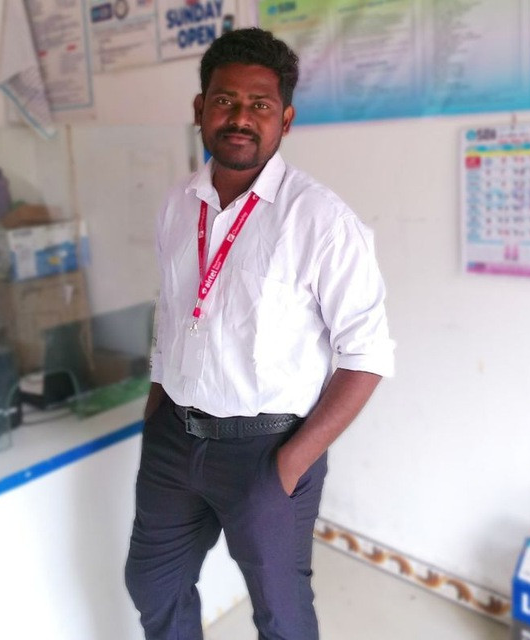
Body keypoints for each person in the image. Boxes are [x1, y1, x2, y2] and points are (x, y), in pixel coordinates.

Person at [125, 27, 395, 640]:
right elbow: (174, 314)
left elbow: (367, 356)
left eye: (260, 104)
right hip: (173, 437)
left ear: (286, 119)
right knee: (153, 583)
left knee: (281, 615)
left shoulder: (321, 220)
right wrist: (156, 411)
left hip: (267, 448)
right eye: (225, 100)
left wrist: (288, 466)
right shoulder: (176, 205)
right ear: (201, 108)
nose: (240, 117)